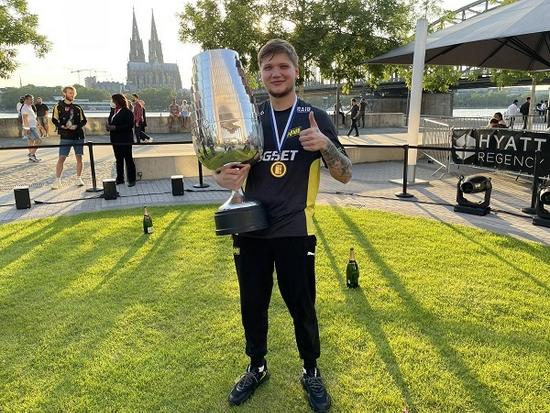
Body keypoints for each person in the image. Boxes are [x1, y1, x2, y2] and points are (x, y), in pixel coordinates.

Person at [214, 38, 352, 412]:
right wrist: (221, 177)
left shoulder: (314, 117)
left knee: (302, 306)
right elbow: (225, 168)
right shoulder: (249, 118)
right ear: (260, 74)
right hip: (250, 228)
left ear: (296, 71)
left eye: (283, 67)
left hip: (295, 230)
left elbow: (345, 174)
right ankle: (257, 367)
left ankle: (311, 371)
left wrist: (325, 145)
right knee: (252, 304)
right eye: (268, 68)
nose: (276, 73)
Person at [51, 86, 87, 189]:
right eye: (70, 93)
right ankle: (58, 180)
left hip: (78, 136)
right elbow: (54, 119)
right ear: (64, 93)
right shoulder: (58, 107)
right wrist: (62, 126)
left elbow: (84, 120)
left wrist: (76, 126)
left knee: (79, 157)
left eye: (73, 93)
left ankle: (79, 178)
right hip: (65, 136)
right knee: (62, 157)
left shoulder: (77, 107)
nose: (72, 95)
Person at [106, 93, 136, 187]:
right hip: (115, 139)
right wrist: (108, 127)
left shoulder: (127, 112)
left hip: (125, 139)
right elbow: (110, 121)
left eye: (113, 100)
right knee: (118, 159)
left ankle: (131, 179)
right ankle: (120, 178)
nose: (112, 102)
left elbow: (130, 125)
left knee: (128, 159)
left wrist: (116, 127)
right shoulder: (113, 112)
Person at [20, 94, 42, 163]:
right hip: (30, 127)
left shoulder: (29, 107)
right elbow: (25, 118)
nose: (32, 101)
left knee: (31, 141)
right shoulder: (25, 108)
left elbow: (32, 118)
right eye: (30, 99)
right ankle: (31, 154)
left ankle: (31, 156)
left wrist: (37, 123)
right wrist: (27, 128)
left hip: (32, 126)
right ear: (26, 100)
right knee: (39, 140)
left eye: (32, 99)